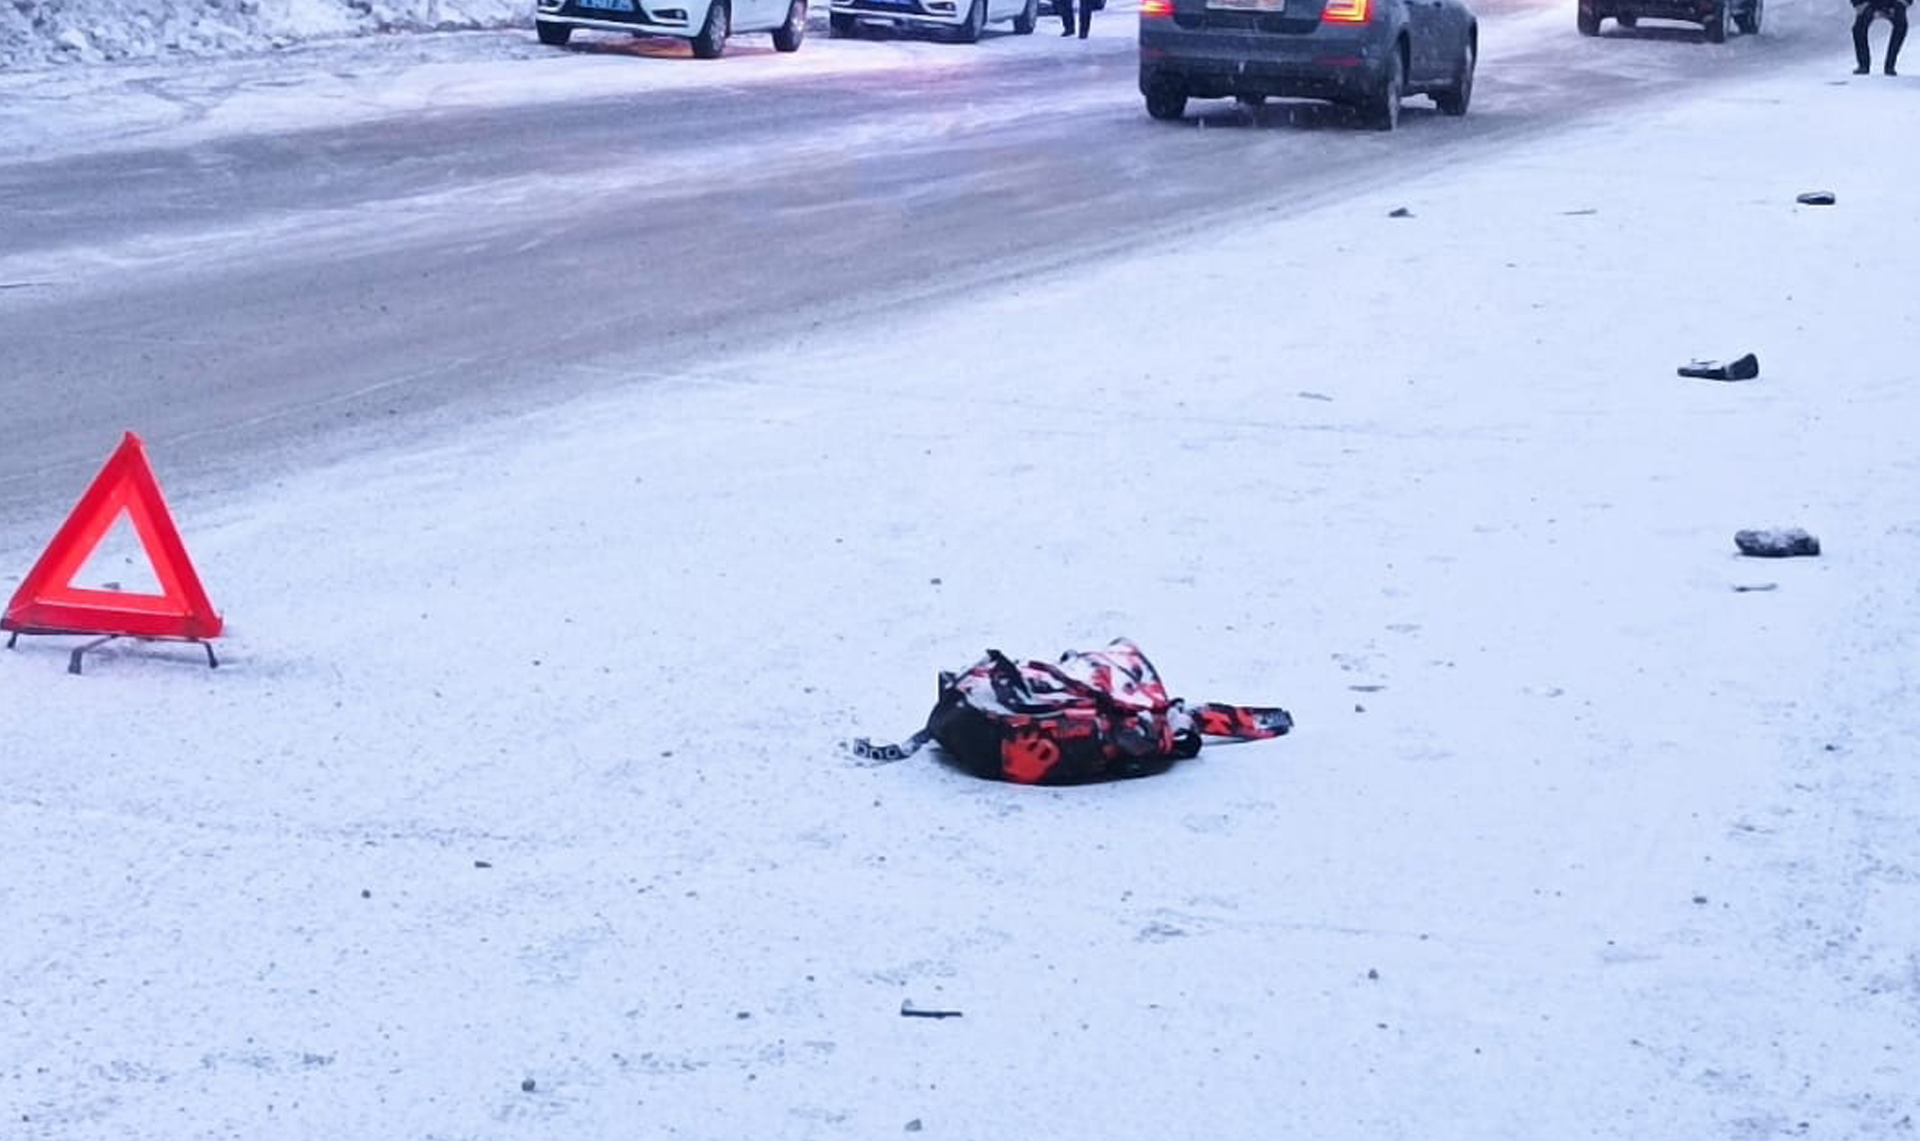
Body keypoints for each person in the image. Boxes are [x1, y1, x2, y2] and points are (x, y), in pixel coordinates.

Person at [1853, 0, 1910, 75]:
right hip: (1868, 3)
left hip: (1894, 3)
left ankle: (1890, 66)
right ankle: (1863, 65)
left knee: (1901, 25)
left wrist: (1905, 2)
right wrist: (1857, 4)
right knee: (1858, 29)